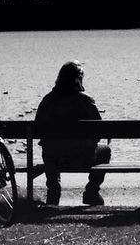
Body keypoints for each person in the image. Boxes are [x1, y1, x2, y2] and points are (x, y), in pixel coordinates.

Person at [34, 60, 110, 206]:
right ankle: (92, 191)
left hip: (53, 158)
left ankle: (53, 192)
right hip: (80, 157)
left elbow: (38, 129)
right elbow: (100, 128)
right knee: (105, 151)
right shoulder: (85, 100)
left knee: (52, 148)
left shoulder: (48, 100)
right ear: (78, 79)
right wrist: (90, 142)